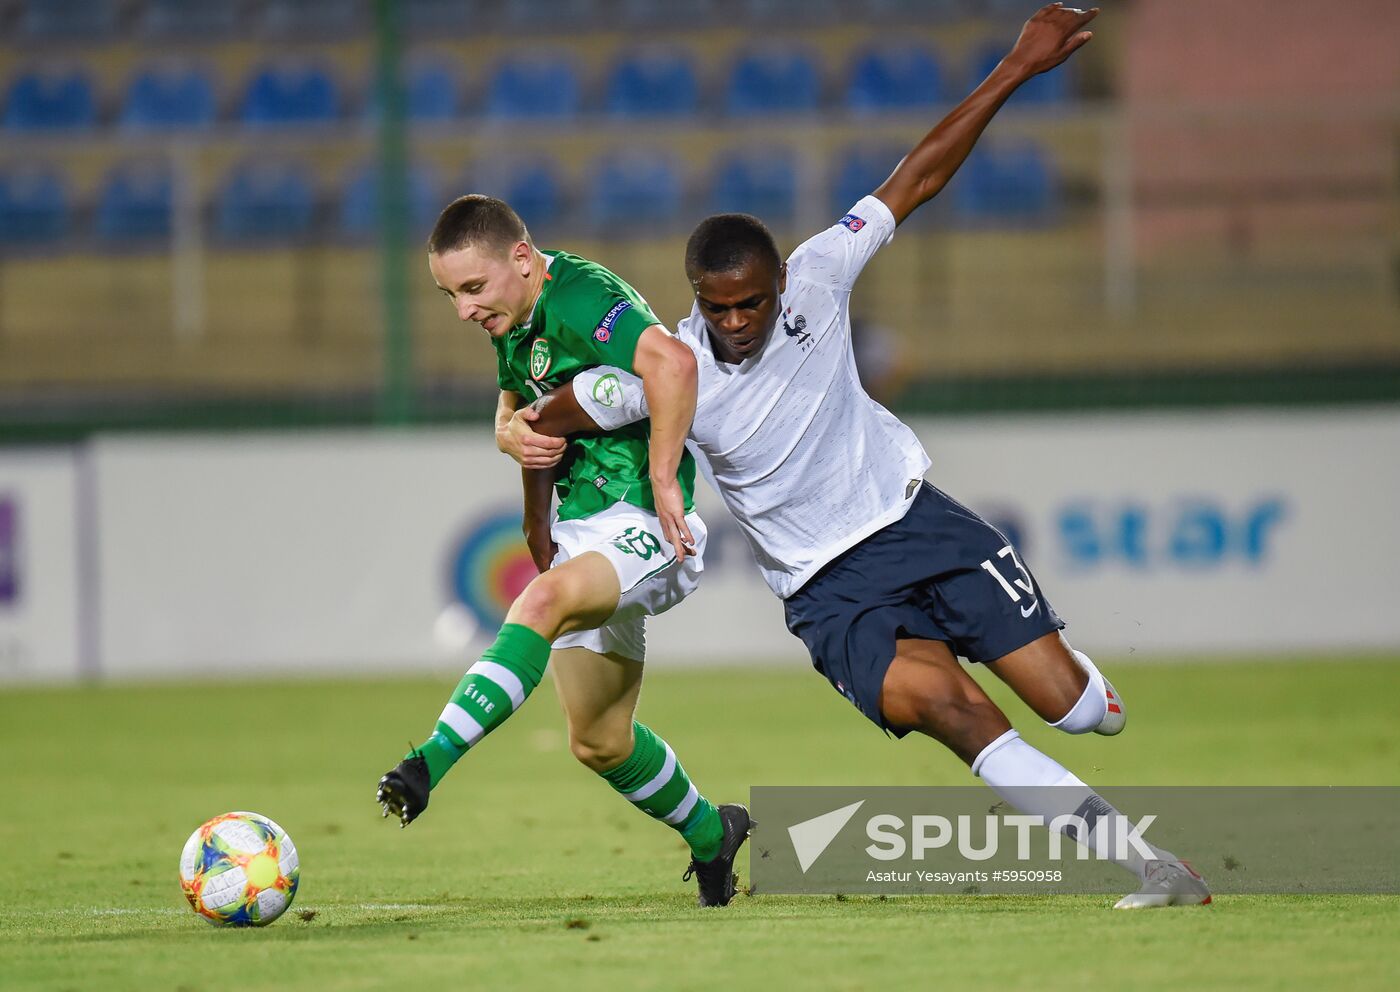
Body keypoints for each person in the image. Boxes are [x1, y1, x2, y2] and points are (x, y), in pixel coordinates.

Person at [500, 4, 1210, 909]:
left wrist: (1015, 69)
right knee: (959, 714)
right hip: (826, 594)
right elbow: (561, 409)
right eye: (714, 309)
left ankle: (1085, 694)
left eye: (748, 304)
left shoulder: (823, 275)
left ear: (778, 286)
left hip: (917, 523)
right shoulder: (671, 368)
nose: (733, 324)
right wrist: (522, 454)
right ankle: (1153, 868)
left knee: (1076, 711)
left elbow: (916, 176)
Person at [375, 194, 751, 908]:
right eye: (449, 294)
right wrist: (506, 436)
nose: (462, 310)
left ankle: (427, 763)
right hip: (586, 536)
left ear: (522, 260)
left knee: (538, 600)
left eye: (472, 289)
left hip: (646, 527)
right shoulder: (513, 314)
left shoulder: (585, 297)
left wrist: (668, 478)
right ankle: (714, 834)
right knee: (600, 740)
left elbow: (673, 364)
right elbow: (517, 407)